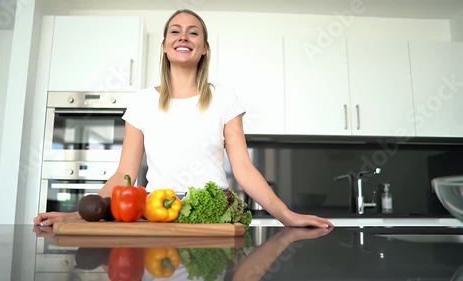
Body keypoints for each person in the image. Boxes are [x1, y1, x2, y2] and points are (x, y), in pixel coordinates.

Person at [33, 9, 333, 229]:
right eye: (175, 31)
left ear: (203, 49)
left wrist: (287, 216)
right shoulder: (142, 102)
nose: (183, 36)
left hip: (213, 214)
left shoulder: (224, 99)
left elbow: (244, 170)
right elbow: (124, 174)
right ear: (165, 45)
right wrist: (77, 214)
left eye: (193, 32)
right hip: (155, 212)